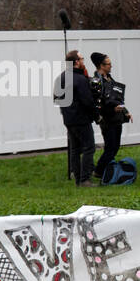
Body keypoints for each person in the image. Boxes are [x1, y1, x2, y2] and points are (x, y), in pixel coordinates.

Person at [58, 50, 97, 187]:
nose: (83, 61)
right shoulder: (80, 79)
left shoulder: (61, 77)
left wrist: (67, 112)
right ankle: (85, 179)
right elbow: (87, 101)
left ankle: (78, 179)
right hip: (81, 119)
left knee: (74, 150)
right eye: (82, 59)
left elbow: (57, 98)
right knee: (89, 148)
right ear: (76, 62)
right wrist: (96, 115)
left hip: (69, 120)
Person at [90, 52, 130, 180]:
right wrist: (112, 109)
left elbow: (117, 98)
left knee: (115, 146)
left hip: (117, 118)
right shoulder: (96, 82)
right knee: (110, 147)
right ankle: (99, 171)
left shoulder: (110, 79)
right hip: (107, 119)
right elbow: (98, 104)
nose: (111, 66)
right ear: (101, 66)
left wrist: (125, 111)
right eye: (108, 64)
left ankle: (108, 170)